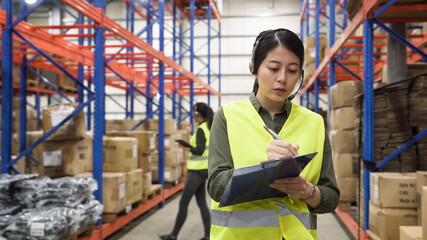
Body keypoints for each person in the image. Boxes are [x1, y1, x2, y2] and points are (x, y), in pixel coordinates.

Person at [207, 28, 340, 240]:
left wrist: (307, 191)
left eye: (292, 70)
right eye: (274, 68)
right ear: (255, 68)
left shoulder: (314, 123)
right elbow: (215, 186)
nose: (282, 79)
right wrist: (264, 172)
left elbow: (331, 197)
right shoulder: (228, 117)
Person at [159, 102, 214, 240]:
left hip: (196, 172)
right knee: (202, 204)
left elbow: (199, 150)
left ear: (197, 114)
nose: (193, 116)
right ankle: (208, 235)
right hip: (203, 171)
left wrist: (187, 147)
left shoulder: (201, 129)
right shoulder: (207, 128)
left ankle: (173, 236)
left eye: (193, 113)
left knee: (183, 203)